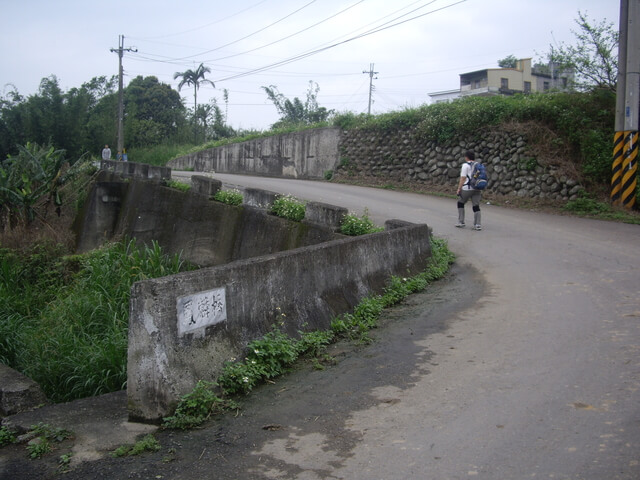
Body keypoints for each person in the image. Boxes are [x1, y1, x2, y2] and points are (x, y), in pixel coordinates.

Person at [455, 150, 482, 230]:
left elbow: (463, 178)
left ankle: (461, 222)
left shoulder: (465, 165)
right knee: (476, 206)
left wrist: (459, 188)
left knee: (460, 203)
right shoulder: (478, 165)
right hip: (477, 188)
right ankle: (477, 224)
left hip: (467, 188)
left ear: (466, 157)